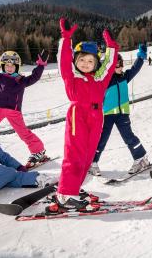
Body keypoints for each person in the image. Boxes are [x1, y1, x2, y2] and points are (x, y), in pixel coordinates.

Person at [48, 18, 118, 213]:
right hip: (78, 114)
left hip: (96, 116)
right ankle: (65, 194)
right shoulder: (71, 75)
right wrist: (66, 38)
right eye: (81, 60)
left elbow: (109, 66)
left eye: (90, 61)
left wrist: (111, 47)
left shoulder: (99, 78)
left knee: (88, 157)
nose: (86, 64)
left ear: (96, 63)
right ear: (75, 61)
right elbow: (63, 59)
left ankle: (73, 189)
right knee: (75, 154)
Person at [0, 34, 49, 169]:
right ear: (3, 66)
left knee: (23, 132)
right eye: (6, 65)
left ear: (17, 66)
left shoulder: (21, 80)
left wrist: (40, 65)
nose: (9, 67)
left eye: (12, 65)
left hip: (14, 111)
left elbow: (35, 77)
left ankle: (38, 151)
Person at [90, 46, 151, 176]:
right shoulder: (105, 81)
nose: (120, 67)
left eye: (121, 64)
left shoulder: (124, 77)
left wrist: (141, 56)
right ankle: (92, 162)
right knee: (102, 138)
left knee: (129, 137)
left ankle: (141, 158)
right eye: (117, 65)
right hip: (107, 114)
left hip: (122, 113)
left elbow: (135, 69)